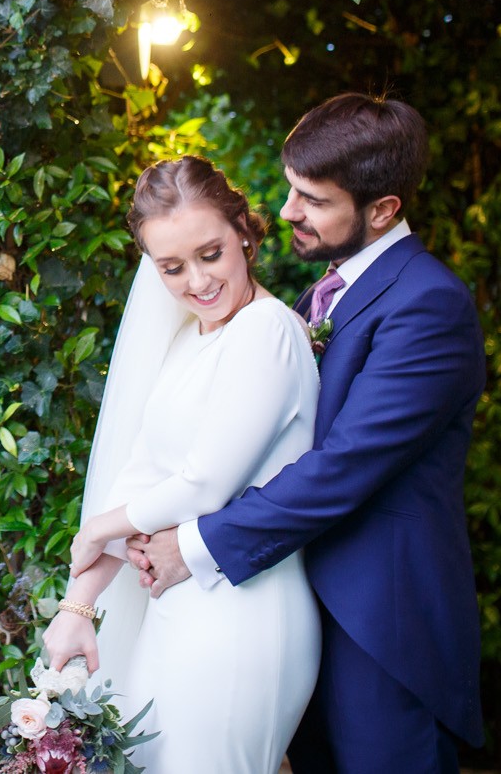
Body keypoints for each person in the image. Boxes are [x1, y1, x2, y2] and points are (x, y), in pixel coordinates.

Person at [126, 94, 487, 773]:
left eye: (313, 198)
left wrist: (195, 545)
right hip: (302, 611)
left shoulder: (429, 304)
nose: (288, 210)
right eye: (292, 188)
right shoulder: (322, 296)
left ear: (381, 209)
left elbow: (345, 465)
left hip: (383, 632)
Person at [41, 157, 321, 773]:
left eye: (211, 253)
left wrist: (97, 528)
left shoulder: (266, 331)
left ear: (244, 234)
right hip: (175, 608)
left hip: (243, 613)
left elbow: (205, 482)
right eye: (172, 267)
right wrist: (77, 607)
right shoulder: (188, 342)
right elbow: (142, 475)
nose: (198, 281)